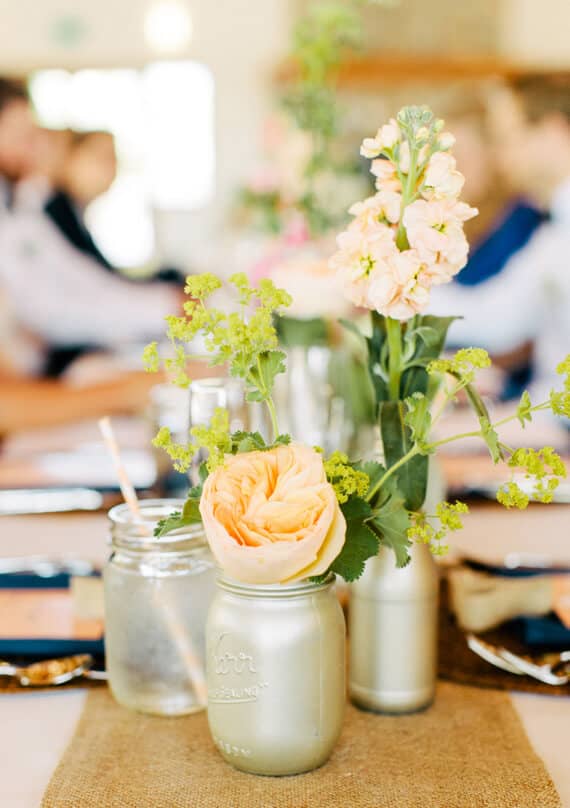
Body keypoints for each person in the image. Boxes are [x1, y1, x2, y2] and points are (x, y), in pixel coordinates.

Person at [0, 79, 183, 375]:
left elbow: (78, 276)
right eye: (19, 135)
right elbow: (47, 308)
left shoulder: (19, 204)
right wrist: (164, 308)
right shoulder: (35, 204)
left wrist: (165, 304)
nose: (30, 149)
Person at [430, 73, 570, 403]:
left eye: (508, 138)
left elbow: (499, 323)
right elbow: (495, 313)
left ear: (552, 132)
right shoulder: (553, 226)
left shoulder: (542, 220)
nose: (502, 156)